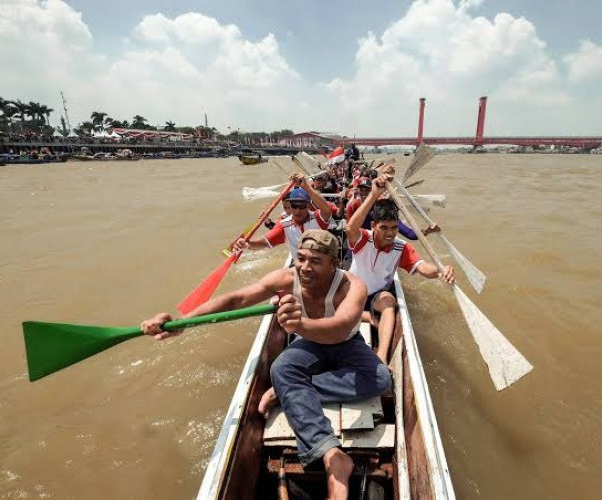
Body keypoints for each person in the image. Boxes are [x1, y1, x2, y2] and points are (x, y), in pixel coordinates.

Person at [141, 230, 390, 500]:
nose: (305, 267)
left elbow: (340, 329)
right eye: (301, 258)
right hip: (309, 343)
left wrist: (300, 325)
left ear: (335, 263)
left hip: (346, 343)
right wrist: (182, 322)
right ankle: (331, 453)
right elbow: (237, 300)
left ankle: (286, 392)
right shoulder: (284, 279)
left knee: (380, 379)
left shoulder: (352, 286)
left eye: (316, 261)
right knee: (281, 368)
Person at [346, 174, 455, 364]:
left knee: (389, 300)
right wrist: (373, 195)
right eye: (384, 228)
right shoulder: (363, 239)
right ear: (373, 226)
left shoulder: (401, 247)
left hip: (375, 297)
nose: (390, 233)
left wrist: (440, 271)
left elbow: (422, 268)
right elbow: (349, 229)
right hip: (352, 293)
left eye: (394, 228)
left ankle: (381, 356)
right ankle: (367, 317)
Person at [234, 173, 333, 259]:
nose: (298, 211)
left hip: (321, 269)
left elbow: (327, 210)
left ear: (308, 206)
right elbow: (264, 242)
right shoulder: (284, 225)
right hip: (302, 268)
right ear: (290, 206)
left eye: (302, 206)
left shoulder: (318, 218)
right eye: (294, 206)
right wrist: (247, 244)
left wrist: (306, 186)